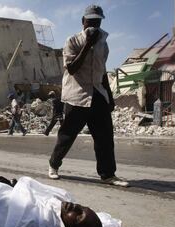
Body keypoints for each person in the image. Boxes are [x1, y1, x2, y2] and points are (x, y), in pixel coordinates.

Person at [48, 5, 128, 187]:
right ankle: (54, 164)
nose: (94, 25)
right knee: (67, 135)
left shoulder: (103, 45)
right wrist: (87, 45)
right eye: (90, 21)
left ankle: (108, 174)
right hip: (77, 95)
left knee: (105, 137)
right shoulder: (73, 41)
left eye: (97, 22)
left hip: (98, 93)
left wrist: (109, 97)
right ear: (83, 22)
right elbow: (72, 69)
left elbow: (102, 72)